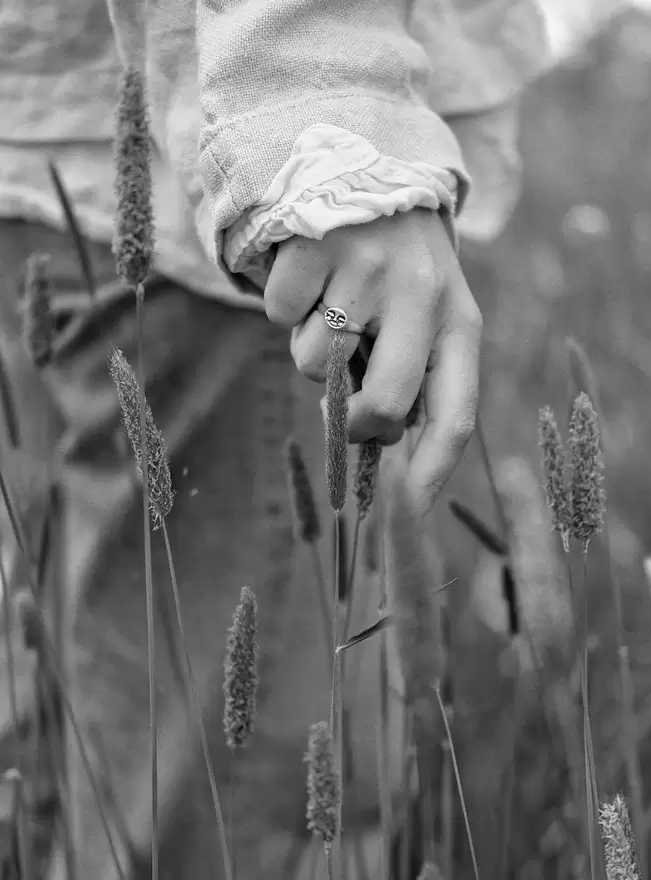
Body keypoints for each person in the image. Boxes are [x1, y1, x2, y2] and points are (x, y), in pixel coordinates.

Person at [0, 0, 551, 877]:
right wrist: (324, 127)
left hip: (40, 138)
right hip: (233, 216)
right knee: (243, 828)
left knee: (74, 769)